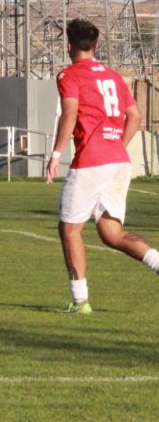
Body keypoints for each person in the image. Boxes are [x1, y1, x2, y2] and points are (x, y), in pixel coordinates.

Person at [46, 18, 159, 313]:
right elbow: (134, 116)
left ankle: (79, 301)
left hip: (91, 162)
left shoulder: (69, 75)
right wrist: (116, 146)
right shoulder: (112, 76)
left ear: (69, 47)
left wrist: (56, 154)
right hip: (118, 161)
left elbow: (69, 115)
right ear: (96, 46)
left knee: (69, 229)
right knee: (111, 233)